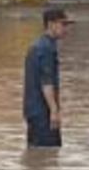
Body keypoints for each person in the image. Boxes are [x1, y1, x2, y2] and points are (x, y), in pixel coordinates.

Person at [23, 8, 73, 148]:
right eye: (63, 24)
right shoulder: (46, 49)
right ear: (51, 24)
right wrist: (54, 111)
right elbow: (47, 83)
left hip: (33, 111)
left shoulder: (38, 45)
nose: (66, 29)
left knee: (37, 155)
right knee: (49, 152)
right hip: (43, 112)